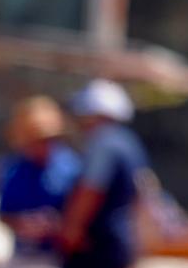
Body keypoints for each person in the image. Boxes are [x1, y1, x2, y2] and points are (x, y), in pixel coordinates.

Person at [57, 80, 149, 268]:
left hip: (98, 243)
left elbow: (92, 187)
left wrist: (72, 229)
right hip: (121, 238)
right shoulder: (128, 142)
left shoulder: (103, 144)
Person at [0, 97, 80, 267]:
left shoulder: (71, 167)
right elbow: (3, 214)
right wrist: (22, 223)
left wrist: (56, 225)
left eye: (47, 139)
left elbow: (82, 217)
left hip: (59, 257)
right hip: (22, 255)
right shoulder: (12, 168)